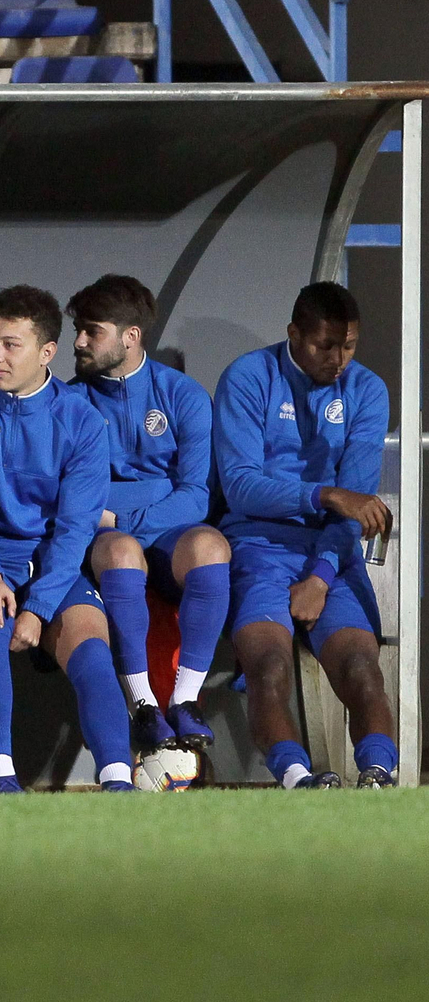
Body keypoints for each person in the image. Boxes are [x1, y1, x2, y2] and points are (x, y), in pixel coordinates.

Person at [0, 286, 135, 793]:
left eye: (11, 344)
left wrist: (39, 605)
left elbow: (75, 528)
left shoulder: (82, 420)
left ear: (46, 353)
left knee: (90, 648)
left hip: (50, 565)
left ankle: (119, 780)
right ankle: (0, 779)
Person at [214, 281, 396, 789]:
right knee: (269, 667)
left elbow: (355, 502)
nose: (339, 358)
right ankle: (298, 779)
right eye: (325, 345)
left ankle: (378, 776)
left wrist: (319, 576)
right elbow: (242, 486)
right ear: (294, 333)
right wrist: (324, 495)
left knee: (361, 667)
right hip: (258, 544)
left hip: (331, 554)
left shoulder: (366, 389)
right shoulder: (250, 376)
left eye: (350, 345)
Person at [65, 275, 230, 753]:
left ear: (130, 337)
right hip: (109, 544)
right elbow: (75, 497)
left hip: (160, 533)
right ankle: (142, 704)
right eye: (78, 329)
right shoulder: (71, 403)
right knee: (118, 551)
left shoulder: (184, 395)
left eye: (91, 331)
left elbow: (197, 496)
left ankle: (184, 700)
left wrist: (120, 513)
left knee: (211, 545)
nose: (78, 341)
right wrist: (151, 496)